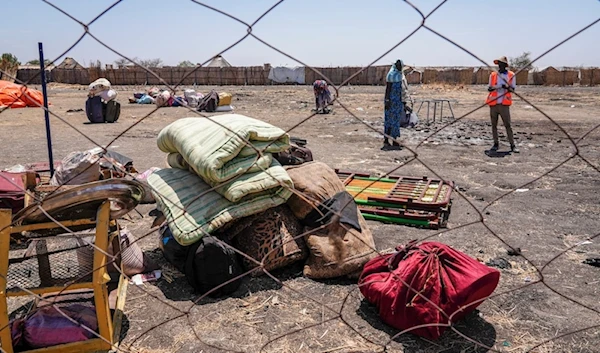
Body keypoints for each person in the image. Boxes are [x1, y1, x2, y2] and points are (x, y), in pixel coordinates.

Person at [486, 56, 519, 153]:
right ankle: (495, 143)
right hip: (493, 103)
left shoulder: (511, 75)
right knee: (493, 125)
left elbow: (513, 89)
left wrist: (506, 87)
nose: (499, 66)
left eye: (501, 64)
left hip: (504, 104)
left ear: (505, 65)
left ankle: (512, 145)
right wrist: (494, 88)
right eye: (498, 64)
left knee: (507, 125)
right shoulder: (493, 75)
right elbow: (489, 88)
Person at [383, 60, 409, 150]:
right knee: (389, 121)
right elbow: (388, 89)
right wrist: (387, 100)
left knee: (395, 122)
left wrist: (404, 102)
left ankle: (394, 141)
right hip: (391, 102)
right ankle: (386, 141)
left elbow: (403, 91)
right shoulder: (391, 76)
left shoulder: (401, 76)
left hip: (398, 102)